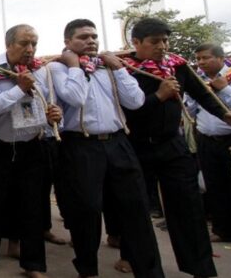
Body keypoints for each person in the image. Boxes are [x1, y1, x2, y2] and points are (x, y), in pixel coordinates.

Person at [123, 18, 231, 278]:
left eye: (165, 40)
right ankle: (144, 269)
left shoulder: (175, 66)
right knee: (136, 211)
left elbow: (204, 95)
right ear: (136, 43)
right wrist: (159, 96)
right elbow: (127, 110)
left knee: (189, 206)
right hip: (136, 148)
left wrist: (227, 114)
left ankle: (201, 268)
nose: (162, 46)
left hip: (172, 145)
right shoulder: (124, 70)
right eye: (154, 42)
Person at [49, 19, 164, 278]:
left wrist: (120, 70)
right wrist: (74, 66)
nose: (91, 41)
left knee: (135, 207)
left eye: (94, 36)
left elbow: (135, 102)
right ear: (68, 42)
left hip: (118, 142)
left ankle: (149, 271)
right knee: (87, 210)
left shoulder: (109, 67)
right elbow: (75, 98)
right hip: (81, 145)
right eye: (83, 37)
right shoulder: (58, 68)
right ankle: (87, 269)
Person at [0, 24, 59, 278]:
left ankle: (33, 264)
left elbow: (47, 102)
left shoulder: (40, 70)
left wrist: (54, 115)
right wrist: (19, 88)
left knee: (32, 204)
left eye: (34, 44)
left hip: (31, 144)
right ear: (8, 44)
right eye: (24, 44)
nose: (30, 50)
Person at [189, 43, 231, 243]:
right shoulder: (198, 80)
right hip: (208, 141)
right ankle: (222, 230)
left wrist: (225, 89)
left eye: (206, 58)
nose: (201, 62)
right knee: (215, 187)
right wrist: (196, 95)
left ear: (220, 58)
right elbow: (190, 111)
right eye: (199, 59)